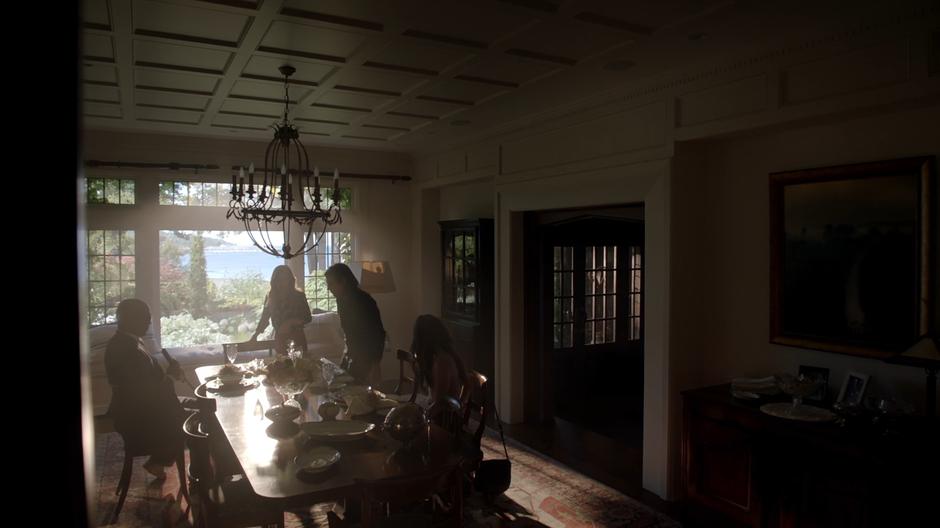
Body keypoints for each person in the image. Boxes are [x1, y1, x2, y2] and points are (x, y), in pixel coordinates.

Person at [105, 299, 187, 479]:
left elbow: (145, 383)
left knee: (200, 407)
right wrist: (171, 377)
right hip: (141, 421)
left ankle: (159, 461)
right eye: (145, 318)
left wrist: (168, 374)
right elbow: (147, 394)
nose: (149, 322)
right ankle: (201, 473)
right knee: (201, 420)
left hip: (135, 412)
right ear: (129, 319)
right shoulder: (128, 351)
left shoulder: (126, 342)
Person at [325, 263, 386, 384]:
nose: (328, 288)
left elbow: (378, 334)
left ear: (343, 281)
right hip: (352, 354)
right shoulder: (341, 300)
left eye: (331, 283)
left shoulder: (365, 301)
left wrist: (375, 364)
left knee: (359, 394)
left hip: (366, 356)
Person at [410, 314, 468, 422]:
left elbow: (438, 403)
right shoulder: (439, 355)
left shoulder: (442, 362)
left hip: (445, 420)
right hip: (440, 413)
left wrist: (419, 418)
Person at [250, 265, 312, 355]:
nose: (282, 283)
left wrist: (291, 322)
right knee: (282, 366)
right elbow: (265, 318)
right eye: (279, 279)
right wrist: (255, 335)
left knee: (300, 366)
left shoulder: (299, 296)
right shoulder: (270, 297)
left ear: (290, 280)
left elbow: (308, 317)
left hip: (298, 337)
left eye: (285, 279)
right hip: (280, 339)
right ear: (274, 281)